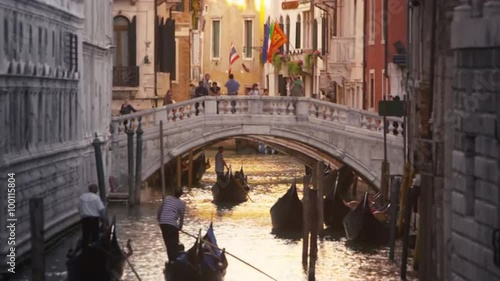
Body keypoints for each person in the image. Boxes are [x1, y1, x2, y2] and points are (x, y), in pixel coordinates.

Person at [158, 188, 186, 263]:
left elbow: (160, 211)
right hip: (172, 224)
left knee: (168, 242)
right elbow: (181, 218)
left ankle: (171, 260)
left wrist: (159, 220)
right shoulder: (182, 204)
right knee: (174, 242)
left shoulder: (167, 198)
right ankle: (173, 260)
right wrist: (180, 227)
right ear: (181, 195)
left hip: (162, 223)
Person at [78, 184, 109, 250]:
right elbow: (101, 210)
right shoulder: (96, 197)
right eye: (96, 189)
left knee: (85, 236)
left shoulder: (82, 197)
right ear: (95, 190)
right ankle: (94, 249)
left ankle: (85, 250)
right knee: (95, 237)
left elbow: (79, 208)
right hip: (94, 220)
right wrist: (104, 222)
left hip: (84, 219)